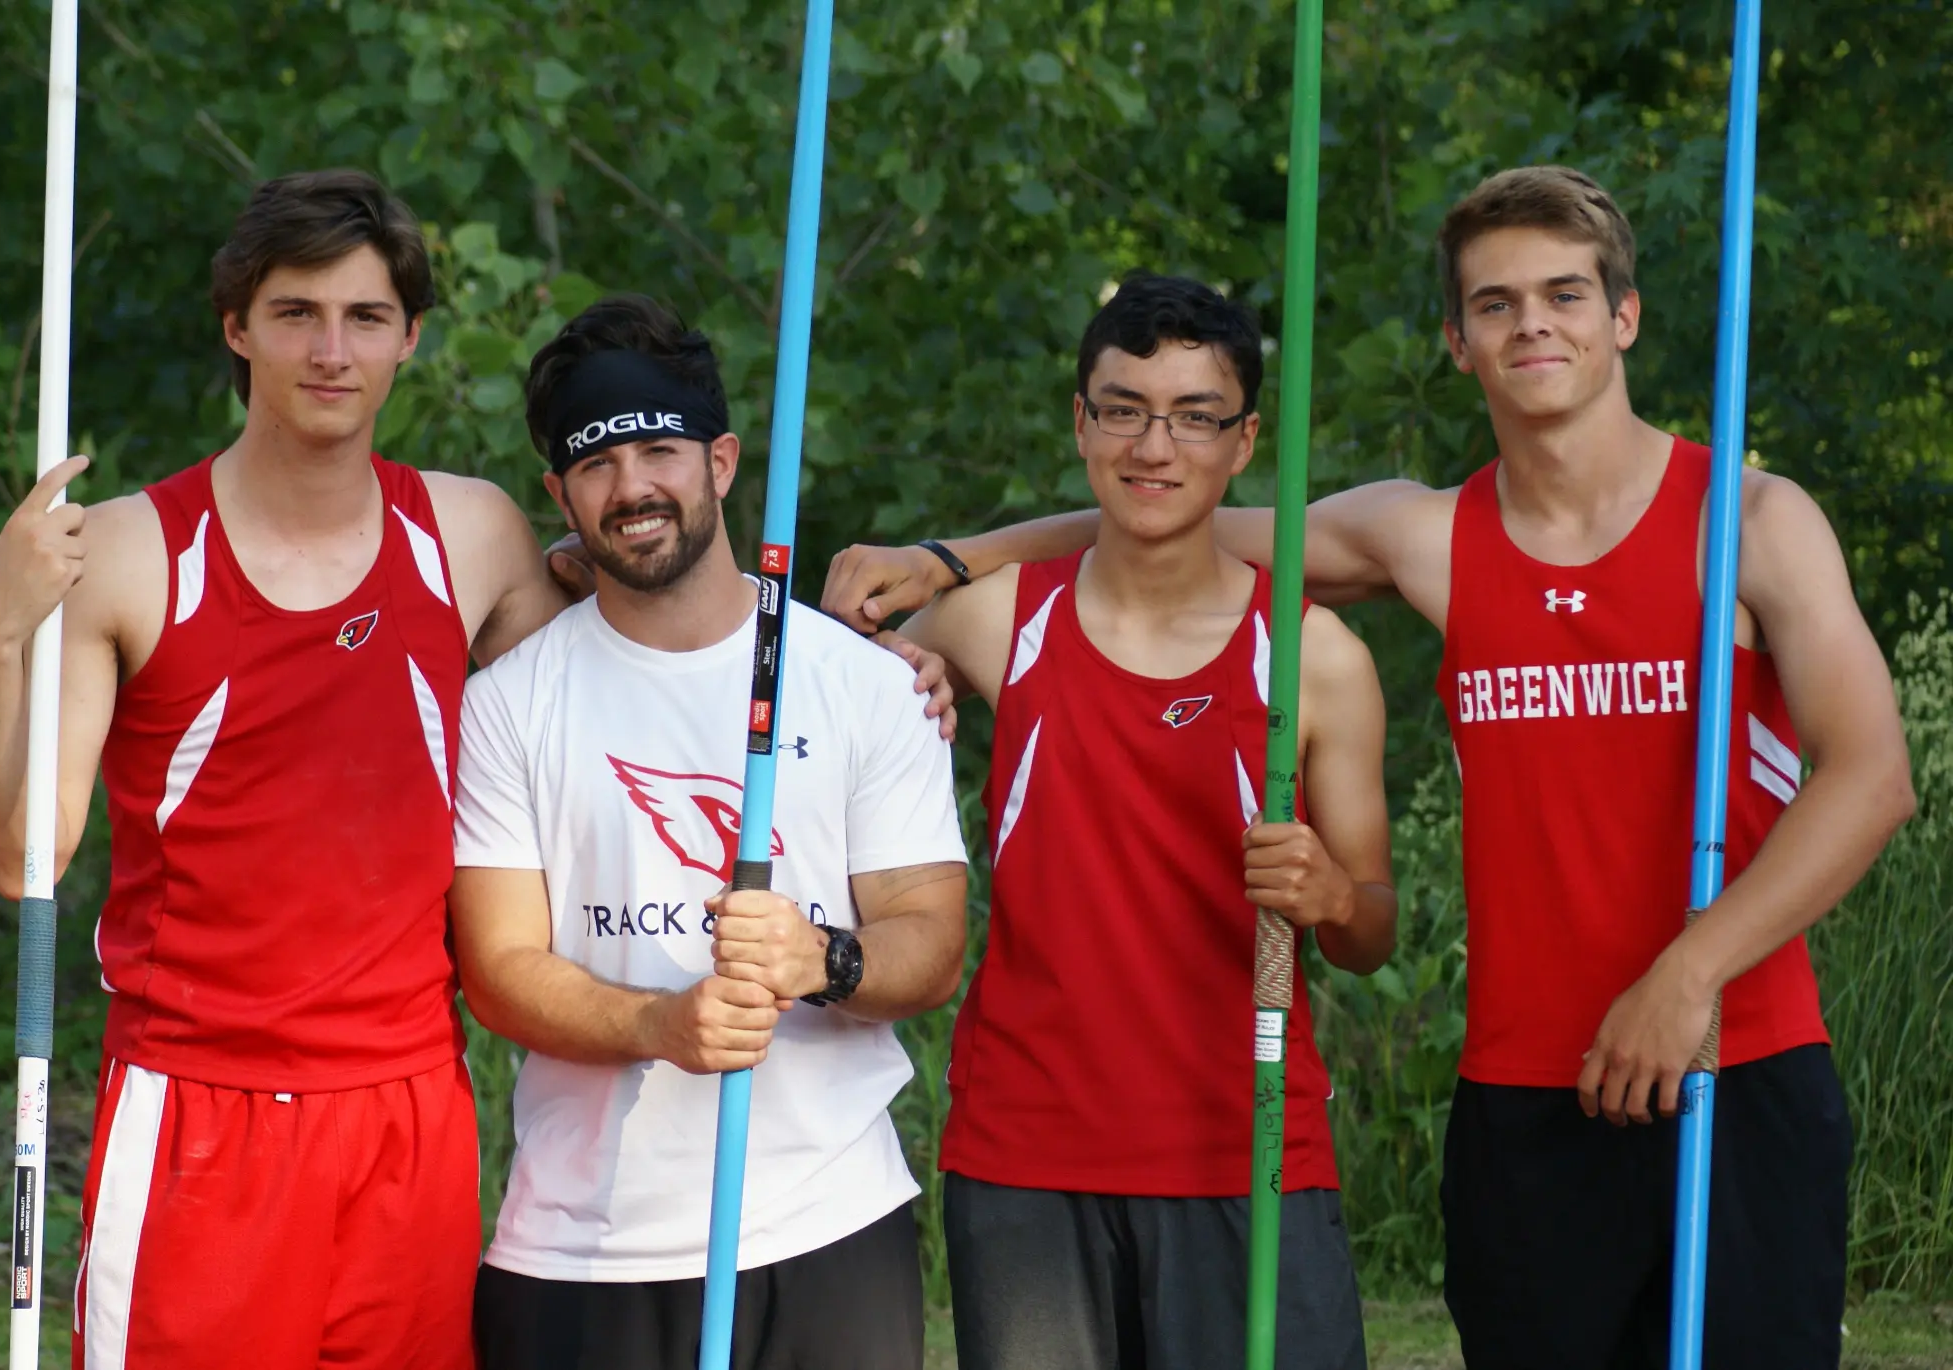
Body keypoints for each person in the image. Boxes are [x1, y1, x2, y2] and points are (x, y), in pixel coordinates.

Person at [822, 167, 1917, 1370]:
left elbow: (1867, 776)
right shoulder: (1429, 535)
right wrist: (946, 560)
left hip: (1727, 1055)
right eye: (1493, 303)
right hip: (1524, 1085)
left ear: (1624, 316)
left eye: (1563, 293)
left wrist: (1688, 971)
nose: (1530, 323)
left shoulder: (1748, 521)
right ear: (1456, 340)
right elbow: (1161, 515)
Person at [0, 169, 954, 1370]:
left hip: (407, 1110)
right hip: (201, 1102)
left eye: (365, 318)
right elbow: (25, 858)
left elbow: (643, 647)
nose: (332, 350)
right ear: (237, 325)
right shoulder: (127, 550)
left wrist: (856, 661)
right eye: (296, 313)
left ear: (409, 338)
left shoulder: (468, 533)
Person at [446, 293, 970, 1370]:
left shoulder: (864, 684)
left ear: (721, 462)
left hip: (823, 1228)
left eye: (658, 450)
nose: (631, 487)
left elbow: (932, 943)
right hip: (581, 1247)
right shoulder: (507, 701)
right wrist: (660, 1025)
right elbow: (496, 968)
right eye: (595, 464)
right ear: (559, 492)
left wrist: (821, 956)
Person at [883, 274, 1396, 1370]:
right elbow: (830, 691)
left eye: (1193, 416)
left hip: (1246, 1145)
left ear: (1242, 439)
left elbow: (1370, 931)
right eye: (1122, 408)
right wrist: (893, 655)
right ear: (1081, 423)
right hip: (1028, 1150)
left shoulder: (1315, 660)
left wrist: (1329, 896)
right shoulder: (988, 623)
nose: (1153, 445)